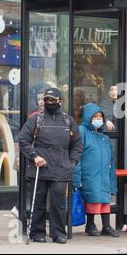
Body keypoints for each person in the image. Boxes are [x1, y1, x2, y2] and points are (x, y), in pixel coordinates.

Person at [19, 87, 83, 244]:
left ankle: (58, 233)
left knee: (59, 204)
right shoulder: (36, 119)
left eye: (52, 100)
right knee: (38, 202)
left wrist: (72, 162)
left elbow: (77, 144)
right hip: (40, 168)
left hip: (61, 168)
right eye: (46, 100)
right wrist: (35, 157)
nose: (49, 102)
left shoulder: (68, 120)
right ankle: (37, 233)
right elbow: (23, 140)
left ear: (60, 101)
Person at [73, 103, 119, 237]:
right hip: (89, 174)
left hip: (103, 174)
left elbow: (111, 160)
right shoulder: (82, 131)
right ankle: (90, 225)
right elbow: (77, 155)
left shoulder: (104, 137)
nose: (98, 119)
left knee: (105, 199)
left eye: (100, 116)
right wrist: (77, 176)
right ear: (88, 117)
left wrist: (112, 179)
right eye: (95, 116)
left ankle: (106, 226)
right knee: (92, 199)